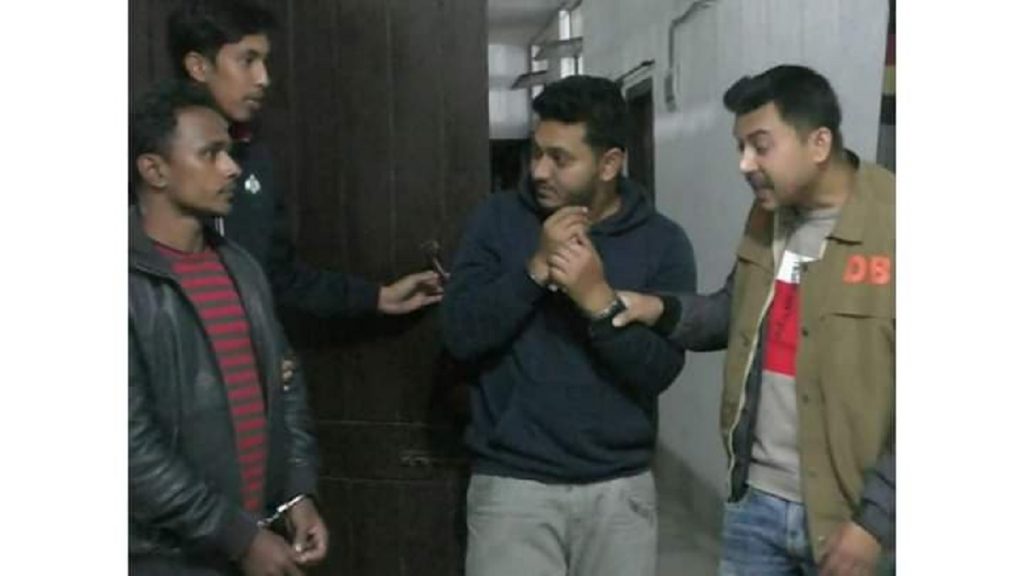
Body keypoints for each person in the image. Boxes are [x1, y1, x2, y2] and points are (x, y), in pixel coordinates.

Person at [613, 65, 895, 576]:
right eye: (740, 147)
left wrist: (876, 522)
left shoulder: (895, 222)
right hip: (756, 502)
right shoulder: (769, 215)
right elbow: (737, 311)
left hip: (850, 515)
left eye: (760, 146)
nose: (745, 164)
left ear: (819, 143)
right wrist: (660, 308)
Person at [440, 75, 697, 576]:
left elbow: (660, 370)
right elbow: (459, 335)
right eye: (537, 153)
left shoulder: (663, 242)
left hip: (619, 491)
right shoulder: (496, 221)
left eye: (560, 158)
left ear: (609, 164)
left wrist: (597, 301)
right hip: (513, 488)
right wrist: (533, 271)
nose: (539, 170)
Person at [129, 81, 327, 576]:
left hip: (253, 538)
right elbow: (130, 450)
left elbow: (286, 385)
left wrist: (297, 494)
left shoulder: (240, 267)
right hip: (162, 557)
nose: (232, 167)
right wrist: (240, 539)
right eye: (210, 154)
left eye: (230, 152)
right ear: (154, 170)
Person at [165, 0, 443, 320]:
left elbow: (280, 279)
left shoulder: (254, 157)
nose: (263, 78)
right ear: (199, 67)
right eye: (247, 60)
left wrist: (378, 297)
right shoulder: (146, 156)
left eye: (264, 62)